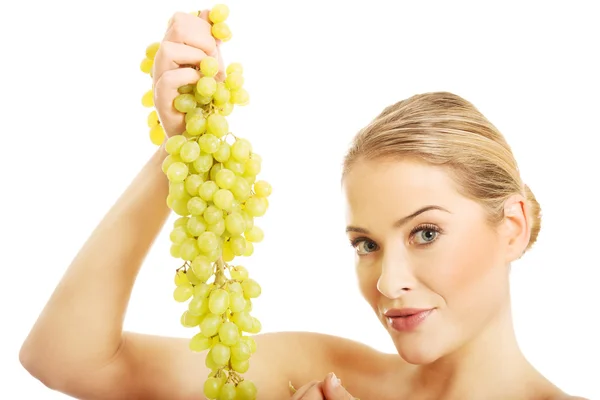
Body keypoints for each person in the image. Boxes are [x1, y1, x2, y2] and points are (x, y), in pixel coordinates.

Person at [18, 10, 588, 400]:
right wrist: (181, 150)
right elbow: (64, 358)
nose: (388, 283)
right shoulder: (321, 370)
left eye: (425, 233)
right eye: (365, 244)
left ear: (512, 227)